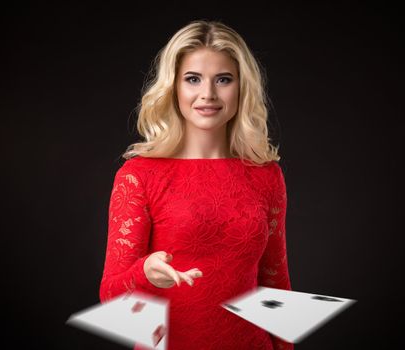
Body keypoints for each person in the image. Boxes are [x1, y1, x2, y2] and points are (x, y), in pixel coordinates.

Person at [99, 20, 293, 350]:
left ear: (241, 88)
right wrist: (145, 272)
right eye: (193, 79)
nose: (208, 94)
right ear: (173, 87)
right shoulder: (139, 175)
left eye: (223, 79)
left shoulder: (266, 175)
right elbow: (110, 294)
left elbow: (275, 282)